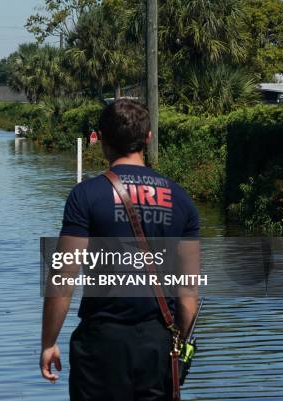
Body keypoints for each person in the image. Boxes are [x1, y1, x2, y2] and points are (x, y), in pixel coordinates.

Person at [40, 99, 200, 401]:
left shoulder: (85, 196)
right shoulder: (181, 199)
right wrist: (177, 344)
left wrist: (48, 342)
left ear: (101, 139)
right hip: (159, 343)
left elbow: (64, 275)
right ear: (148, 137)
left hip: (102, 342)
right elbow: (188, 292)